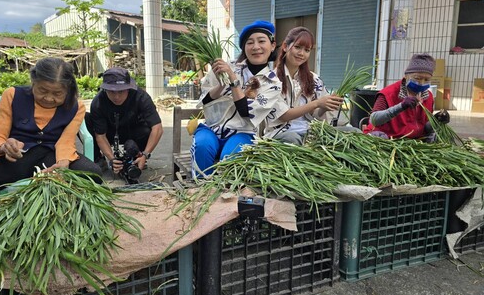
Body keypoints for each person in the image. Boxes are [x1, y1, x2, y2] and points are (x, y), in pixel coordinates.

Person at [191, 20, 330, 177]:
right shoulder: (227, 67)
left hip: (243, 132)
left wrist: (232, 81)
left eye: (262, 41)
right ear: (244, 47)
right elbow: (206, 100)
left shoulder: (272, 81)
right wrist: (222, 84)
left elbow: (246, 112)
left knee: (231, 159)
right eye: (250, 42)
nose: (256, 47)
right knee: (202, 146)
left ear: (272, 46)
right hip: (212, 127)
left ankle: (225, 196)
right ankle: (201, 190)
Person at [0, 57, 102, 198]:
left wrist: (63, 162)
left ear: (68, 90)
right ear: (33, 83)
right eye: (42, 90)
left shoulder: (76, 107)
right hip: (16, 160)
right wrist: (5, 147)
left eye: (57, 94)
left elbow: (66, 141)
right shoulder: (12, 95)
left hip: (51, 159)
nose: (48, 98)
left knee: (92, 173)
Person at [265, 27, 344, 144]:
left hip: (310, 132)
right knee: (293, 139)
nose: (301, 53)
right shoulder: (271, 79)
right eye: (297, 47)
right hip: (282, 133)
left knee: (353, 132)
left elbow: (317, 116)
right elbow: (282, 115)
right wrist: (317, 103)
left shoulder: (314, 80)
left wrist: (326, 106)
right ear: (285, 47)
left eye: (307, 50)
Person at [85, 67, 163, 180]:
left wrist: (146, 154)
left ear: (128, 88)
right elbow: (100, 136)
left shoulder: (141, 97)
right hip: (109, 133)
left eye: (121, 91)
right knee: (86, 119)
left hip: (134, 133)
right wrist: (112, 159)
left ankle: (137, 157)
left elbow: (157, 128)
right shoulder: (98, 102)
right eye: (112, 92)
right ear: (105, 89)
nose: (116, 97)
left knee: (148, 129)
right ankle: (98, 159)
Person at [363, 53, 436, 141]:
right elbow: (374, 120)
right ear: (406, 75)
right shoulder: (388, 93)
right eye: (417, 78)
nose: (422, 83)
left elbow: (425, 127)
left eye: (427, 80)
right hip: (388, 138)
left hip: (414, 141)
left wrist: (437, 121)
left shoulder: (428, 97)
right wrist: (401, 106)